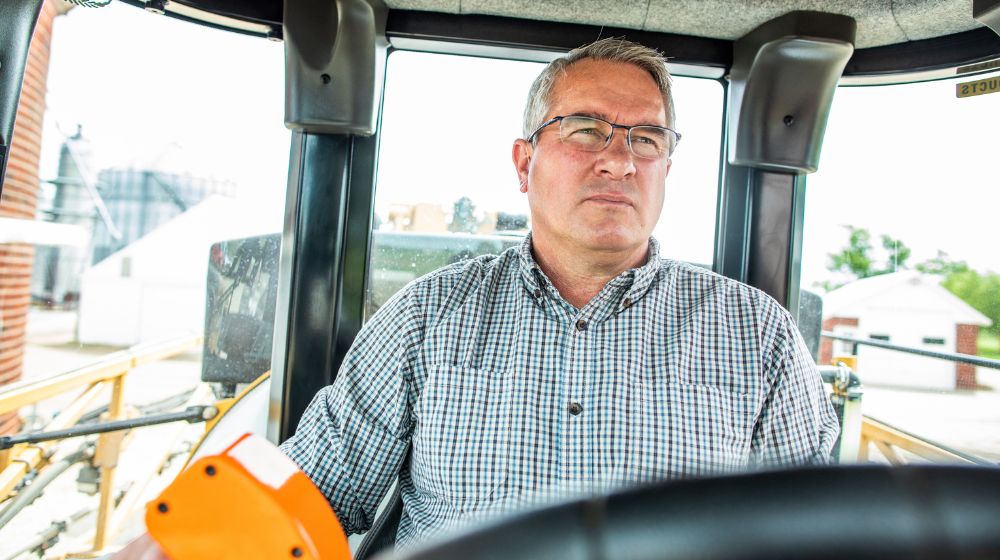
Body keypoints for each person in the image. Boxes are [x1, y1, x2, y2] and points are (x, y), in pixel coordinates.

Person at [115, 37, 838, 558]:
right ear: (525, 162)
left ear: (667, 167)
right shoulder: (428, 318)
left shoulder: (757, 335)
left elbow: (815, 532)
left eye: (647, 139)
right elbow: (319, 483)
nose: (619, 158)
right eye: (586, 128)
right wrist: (180, 543)